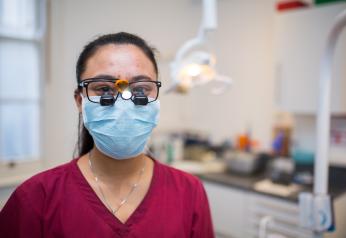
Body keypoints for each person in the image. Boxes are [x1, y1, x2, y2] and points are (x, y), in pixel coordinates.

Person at [0, 32, 214, 238]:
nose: (123, 104)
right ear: (80, 101)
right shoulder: (36, 197)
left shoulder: (189, 192)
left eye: (140, 89)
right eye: (103, 88)